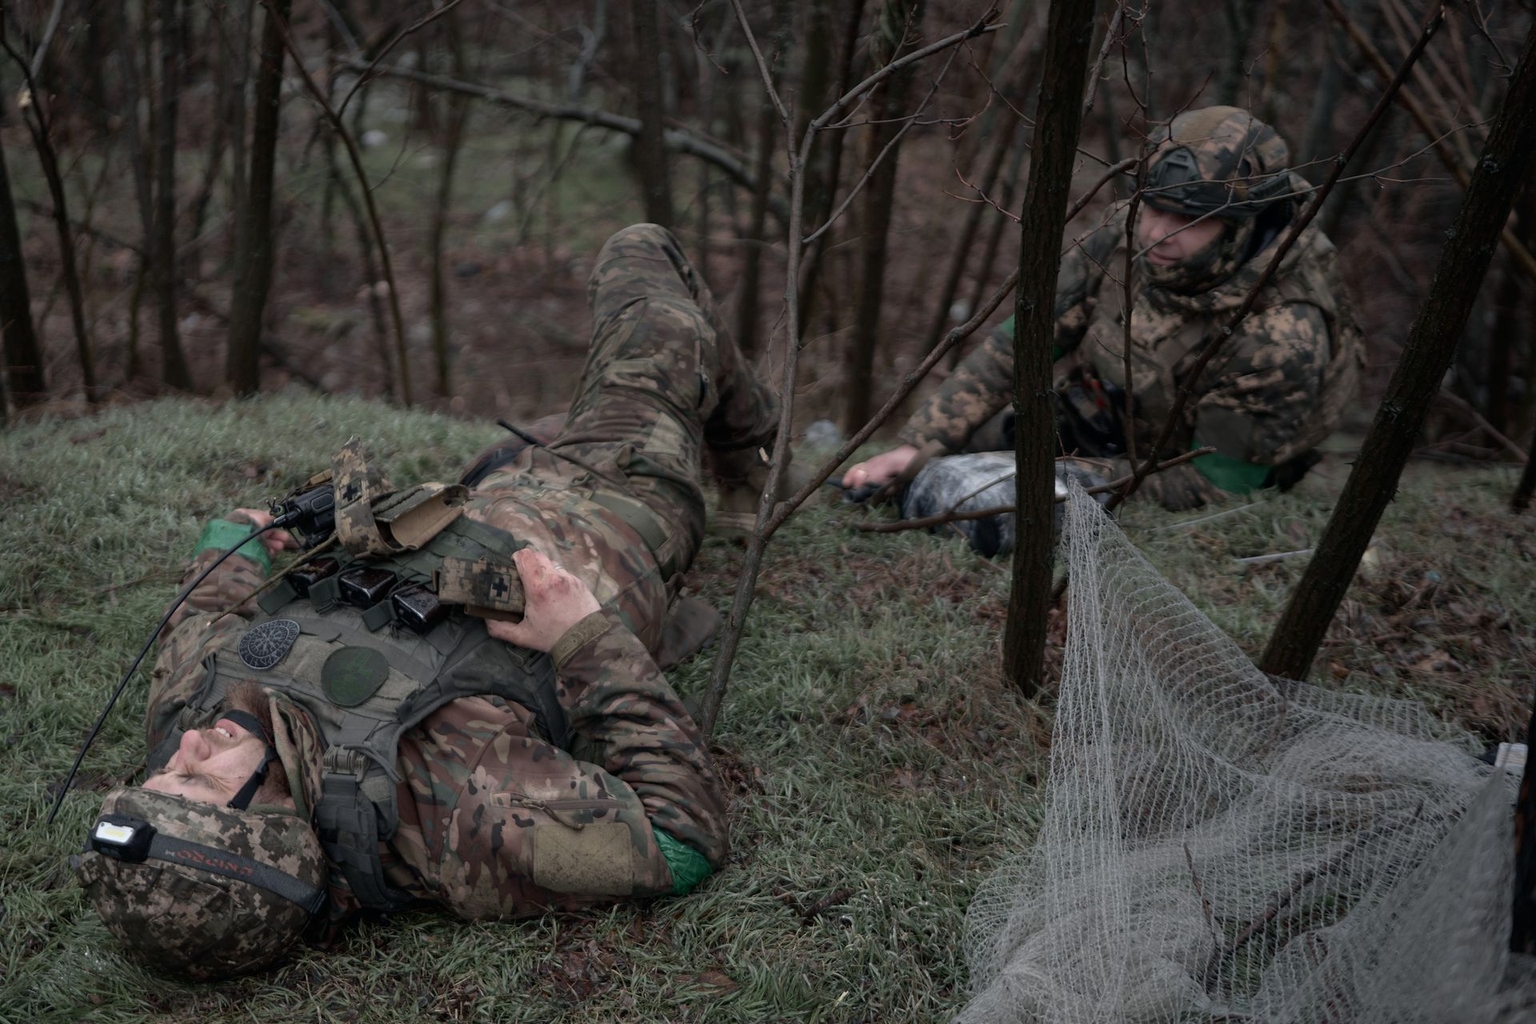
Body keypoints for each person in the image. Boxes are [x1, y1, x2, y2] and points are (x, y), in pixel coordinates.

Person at [73, 224, 784, 979]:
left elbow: (197, 617)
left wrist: (236, 538)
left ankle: (734, 447)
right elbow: (680, 841)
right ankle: (753, 459)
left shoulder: (194, 708)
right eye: (202, 780)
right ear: (273, 822)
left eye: (162, 776)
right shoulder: (461, 810)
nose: (187, 748)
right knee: (647, 273)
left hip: (486, 488)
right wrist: (583, 633)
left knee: (626, 361)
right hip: (614, 505)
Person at [843, 105, 1364, 512]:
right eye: (1153, 208)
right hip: (1118, 410)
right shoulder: (1120, 234)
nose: (1156, 233)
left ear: (1243, 222)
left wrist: (1055, 476)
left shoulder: (1281, 334)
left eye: (1188, 219)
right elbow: (1023, 345)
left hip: (1210, 459)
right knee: (956, 456)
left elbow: (1217, 482)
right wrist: (919, 444)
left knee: (992, 490)